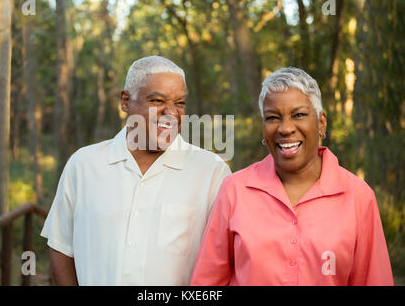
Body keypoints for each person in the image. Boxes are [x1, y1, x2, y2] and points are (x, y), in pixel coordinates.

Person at [190, 67, 394, 286]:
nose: (285, 128)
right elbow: (206, 284)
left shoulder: (359, 197)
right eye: (272, 117)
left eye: (298, 115)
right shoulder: (234, 190)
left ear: (321, 123)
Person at [41, 56, 231, 285]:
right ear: (125, 101)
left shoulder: (211, 172)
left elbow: (225, 263)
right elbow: (61, 246)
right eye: (157, 100)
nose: (171, 112)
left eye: (180, 103)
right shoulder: (83, 165)